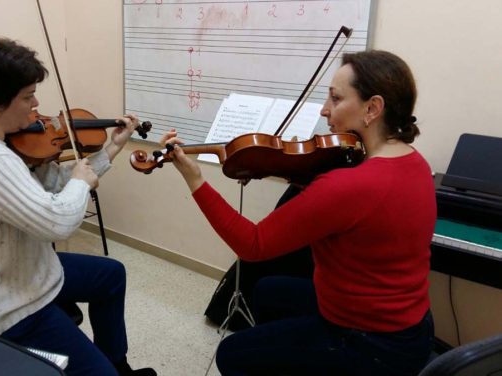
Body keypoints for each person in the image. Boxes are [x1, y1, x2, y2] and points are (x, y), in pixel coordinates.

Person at [160, 50, 436, 376]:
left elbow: (254, 244)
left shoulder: (347, 185)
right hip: (412, 326)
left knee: (232, 354)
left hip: (369, 344)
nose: (324, 108)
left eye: (336, 98)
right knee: (268, 291)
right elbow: (355, 210)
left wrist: (195, 179)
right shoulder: (414, 163)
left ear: (372, 108)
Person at [0, 35, 156, 376]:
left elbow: (52, 187)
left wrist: (111, 148)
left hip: (28, 270)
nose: (36, 103)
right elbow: (58, 222)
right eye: (27, 96)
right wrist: (82, 182)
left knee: (110, 276)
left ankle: (118, 363)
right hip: (8, 307)